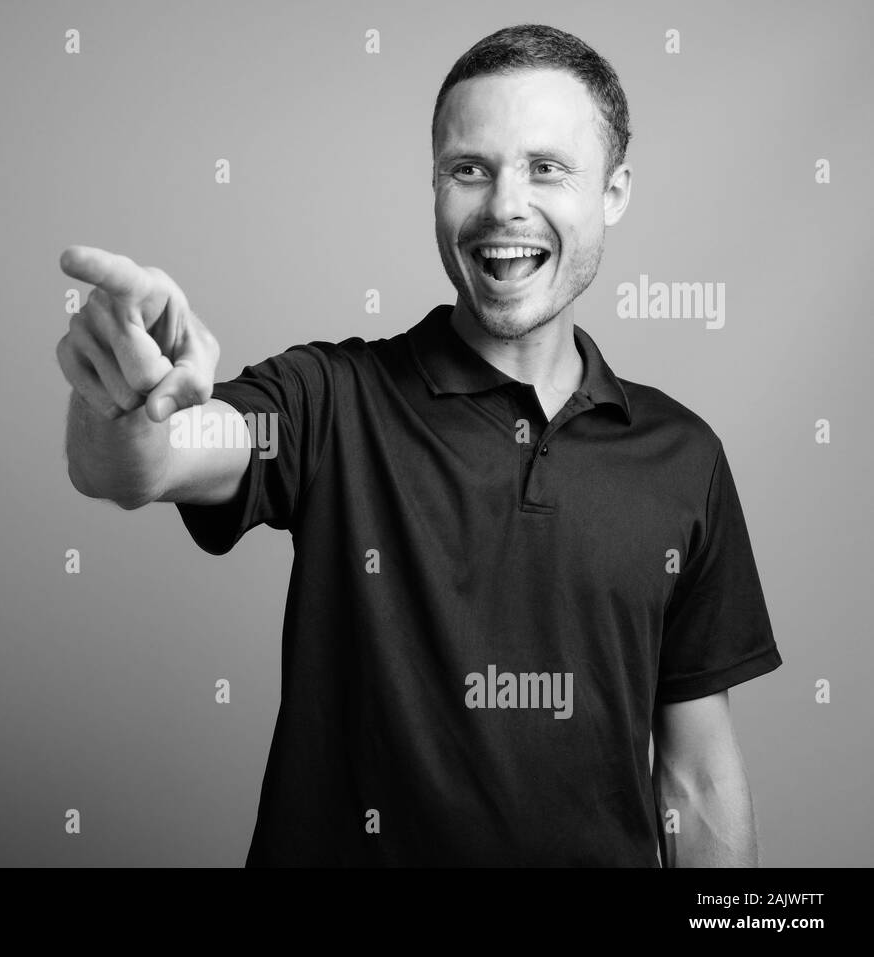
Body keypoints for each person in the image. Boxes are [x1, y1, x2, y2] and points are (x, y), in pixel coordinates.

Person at [54, 23, 782, 866]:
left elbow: (695, 779)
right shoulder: (329, 399)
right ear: (435, 185)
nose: (505, 203)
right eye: (470, 169)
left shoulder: (683, 455)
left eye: (547, 168)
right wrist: (124, 404)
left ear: (615, 191)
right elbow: (142, 463)